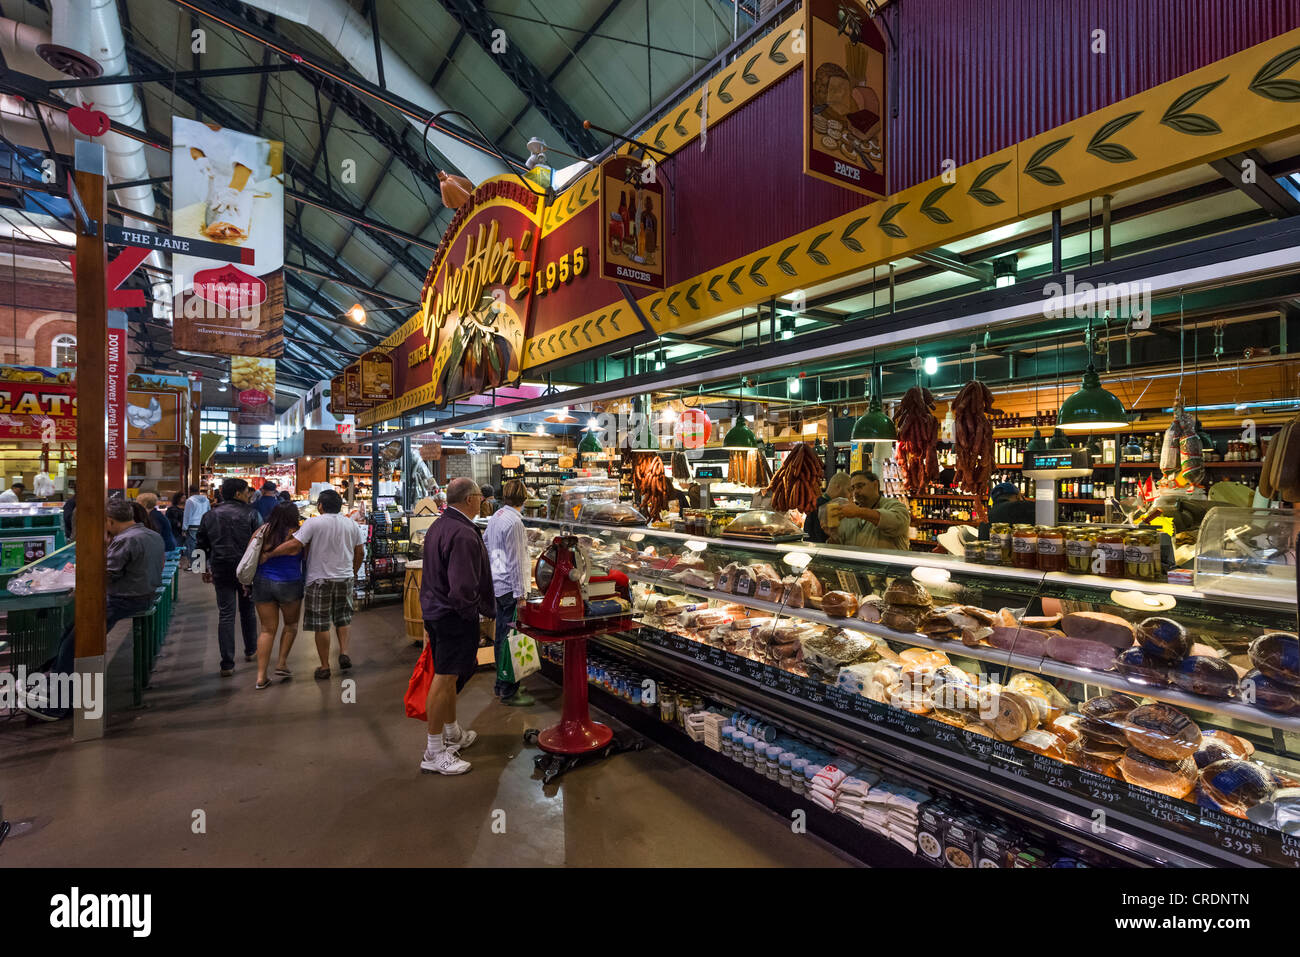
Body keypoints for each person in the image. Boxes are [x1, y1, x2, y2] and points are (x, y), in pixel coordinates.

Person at [22, 498, 164, 721]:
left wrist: (79, 581)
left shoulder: (125, 540)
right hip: (141, 595)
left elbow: (108, 574)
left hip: (123, 600)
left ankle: (59, 706)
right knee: (69, 634)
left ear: (108, 521)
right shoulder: (150, 534)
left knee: (72, 646)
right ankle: (56, 687)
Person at [418, 477, 494, 775]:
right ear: (471, 499)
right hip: (454, 616)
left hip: (437, 612)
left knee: (446, 677)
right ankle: (434, 752)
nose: (482, 500)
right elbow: (463, 586)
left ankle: (451, 733)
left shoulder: (440, 525)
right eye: (479, 495)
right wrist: (474, 613)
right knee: (445, 678)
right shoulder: (462, 533)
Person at [257, 488, 364, 680]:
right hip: (345, 578)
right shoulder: (351, 524)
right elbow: (360, 552)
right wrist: (353, 572)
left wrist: (269, 554)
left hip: (319, 580)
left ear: (321, 505)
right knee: (343, 617)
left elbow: (295, 545)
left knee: (321, 624)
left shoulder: (313, 522)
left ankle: (324, 666)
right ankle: (344, 652)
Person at [197, 477, 262, 677]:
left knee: (226, 614)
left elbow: (200, 544)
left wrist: (201, 569)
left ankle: (227, 663)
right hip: (246, 570)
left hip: (221, 568)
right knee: (248, 610)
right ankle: (251, 650)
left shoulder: (210, 515)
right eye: (246, 491)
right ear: (237, 493)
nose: (248, 495)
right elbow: (260, 543)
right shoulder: (252, 513)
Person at [485, 479, 533, 707]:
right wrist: (521, 594)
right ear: (524, 498)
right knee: (511, 639)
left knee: (502, 635)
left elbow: (486, 545)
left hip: (498, 584)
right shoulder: (515, 523)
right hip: (511, 589)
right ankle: (509, 690)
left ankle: (499, 684)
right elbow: (517, 561)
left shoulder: (497, 516)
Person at [250, 502, 305, 690]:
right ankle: (281, 663)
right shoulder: (299, 533)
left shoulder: (263, 531)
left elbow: (250, 554)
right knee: (290, 625)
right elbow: (302, 554)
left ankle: (260, 677)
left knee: (266, 630)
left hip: (262, 581)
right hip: (290, 582)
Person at [832, 470, 911, 551]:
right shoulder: (850, 516)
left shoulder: (893, 505)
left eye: (860, 486)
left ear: (875, 485)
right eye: (853, 488)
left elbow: (897, 523)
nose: (855, 492)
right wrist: (832, 533)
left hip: (888, 563)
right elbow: (840, 546)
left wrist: (858, 512)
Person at [805, 471, 850, 544]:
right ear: (838, 487)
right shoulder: (824, 507)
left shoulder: (818, 503)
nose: (850, 495)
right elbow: (820, 540)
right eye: (849, 490)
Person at [181, 485, 210, 559]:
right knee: (201, 545)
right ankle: (201, 565)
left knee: (192, 545)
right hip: (203, 525)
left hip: (193, 525)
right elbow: (209, 512)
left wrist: (184, 528)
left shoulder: (190, 500)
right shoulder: (206, 500)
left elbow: (187, 515)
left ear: (190, 491)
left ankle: (193, 565)